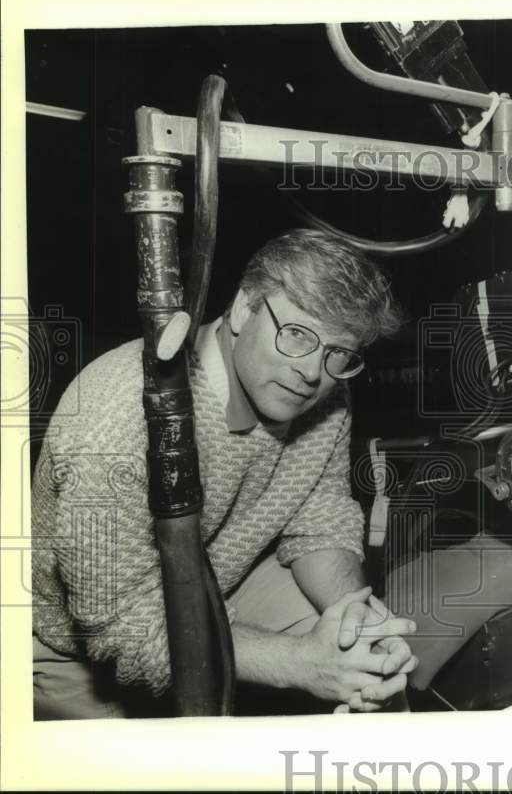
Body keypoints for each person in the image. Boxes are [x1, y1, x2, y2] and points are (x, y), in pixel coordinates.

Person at [31, 229, 420, 718]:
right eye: (297, 333)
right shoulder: (118, 414)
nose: (312, 373)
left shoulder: (327, 393)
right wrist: (296, 663)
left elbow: (319, 517)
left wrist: (354, 615)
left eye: (338, 353)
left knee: (371, 673)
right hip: (81, 646)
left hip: (226, 581)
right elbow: (122, 627)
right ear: (242, 308)